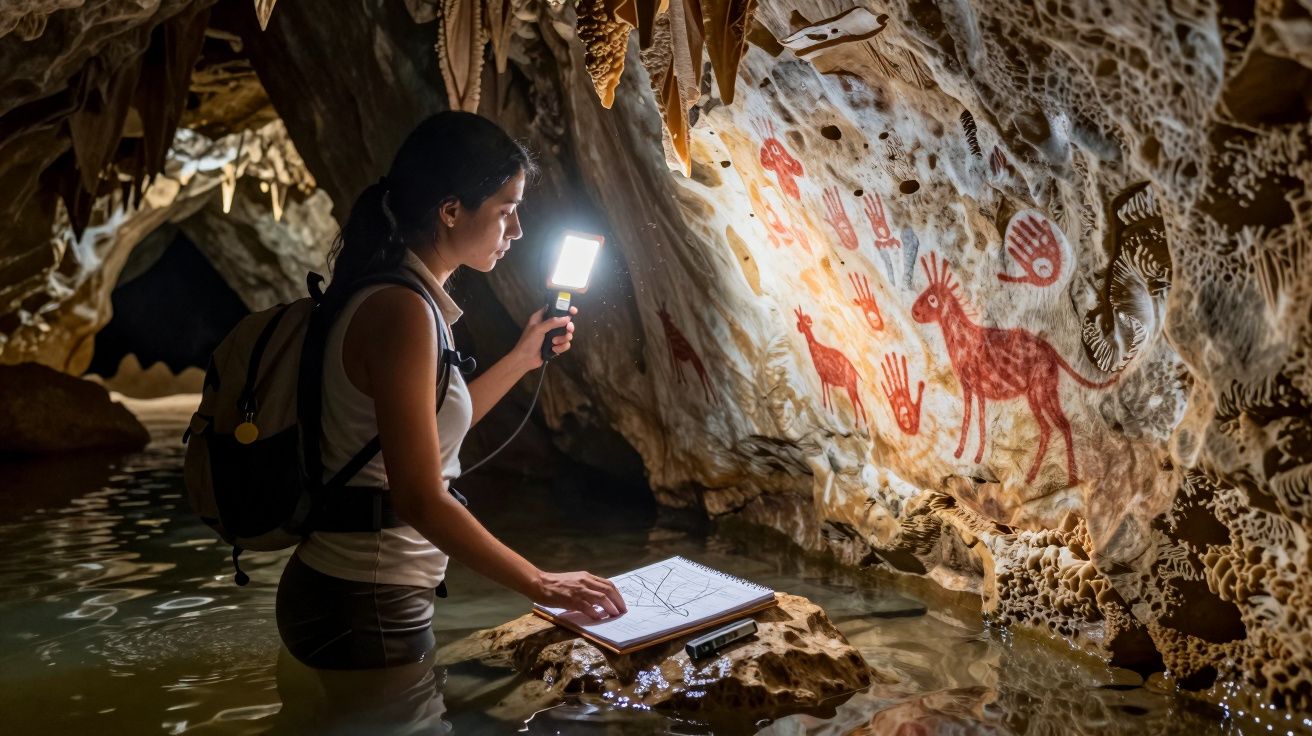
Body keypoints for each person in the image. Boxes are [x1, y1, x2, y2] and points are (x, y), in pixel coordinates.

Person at [275, 111, 627, 671]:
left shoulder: (399, 297)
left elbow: (433, 430)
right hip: (364, 603)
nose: (516, 231)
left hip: (351, 594)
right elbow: (418, 497)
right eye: (506, 211)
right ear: (450, 210)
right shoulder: (403, 311)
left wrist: (521, 358)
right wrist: (542, 582)